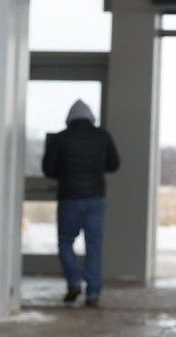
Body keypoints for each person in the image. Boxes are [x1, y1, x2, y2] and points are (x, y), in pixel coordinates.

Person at [42, 99, 120, 307]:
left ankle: (74, 282)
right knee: (94, 246)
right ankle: (93, 293)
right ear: (91, 117)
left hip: (69, 198)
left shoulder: (60, 138)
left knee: (65, 242)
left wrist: (66, 173)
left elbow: (48, 169)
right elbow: (114, 164)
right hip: (96, 199)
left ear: (69, 119)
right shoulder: (102, 136)